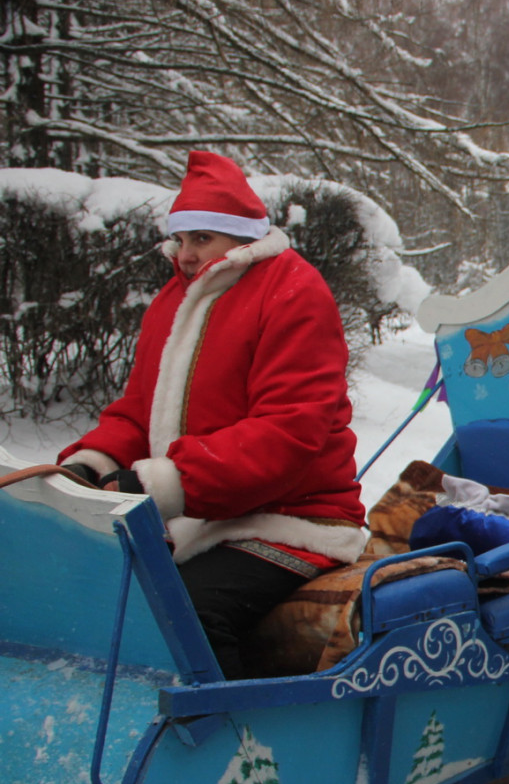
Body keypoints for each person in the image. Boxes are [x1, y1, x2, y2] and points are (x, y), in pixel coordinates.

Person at [58, 150, 366, 679]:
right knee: (95, 592)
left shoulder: (294, 292)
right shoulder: (175, 302)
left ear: (243, 236)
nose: (186, 254)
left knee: (187, 613)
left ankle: (238, 750)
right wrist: (93, 461)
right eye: (181, 239)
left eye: (202, 238)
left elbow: (288, 431)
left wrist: (166, 481)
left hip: (294, 520)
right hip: (201, 516)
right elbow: (138, 412)